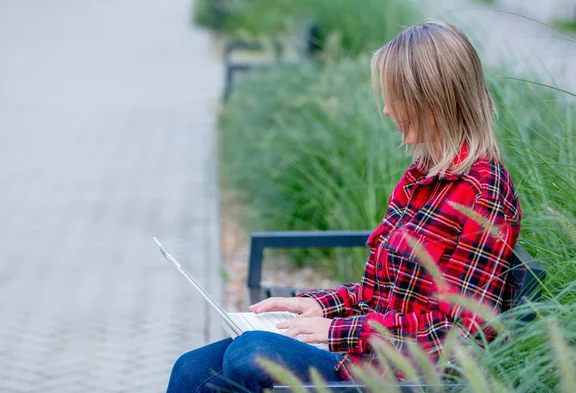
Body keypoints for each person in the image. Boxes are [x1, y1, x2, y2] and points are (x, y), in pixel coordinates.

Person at [166, 19, 521, 393]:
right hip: (364, 354)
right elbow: (378, 293)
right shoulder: (419, 179)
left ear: (431, 98)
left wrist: (337, 331)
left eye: (395, 97)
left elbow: (459, 332)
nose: (386, 110)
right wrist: (320, 307)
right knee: (192, 369)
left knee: (248, 355)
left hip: (398, 377)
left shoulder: (484, 193)